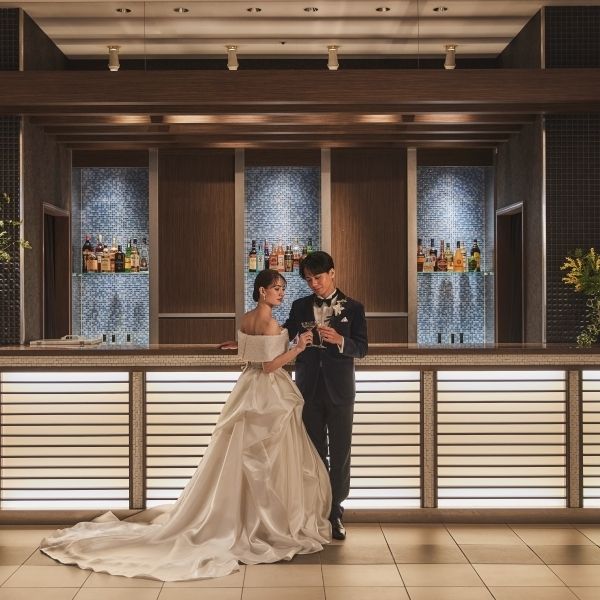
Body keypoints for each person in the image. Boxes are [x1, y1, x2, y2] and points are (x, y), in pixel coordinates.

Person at [40, 269, 331, 581]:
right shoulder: (271, 323)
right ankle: (263, 524)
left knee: (238, 457)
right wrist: (298, 347)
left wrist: (242, 346)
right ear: (262, 291)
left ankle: (240, 519)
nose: (281, 293)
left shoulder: (246, 319)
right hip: (268, 394)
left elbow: (249, 354)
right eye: (276, 288)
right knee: (267, 460)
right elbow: (270, 366)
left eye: (282, 289)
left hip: (248, 389)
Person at [284, 251, 368, 541]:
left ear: (332, 273)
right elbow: (283, 336)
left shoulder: (354, 308)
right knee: (314, 452)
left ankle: (335, 513)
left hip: (340, 391)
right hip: (308, 388)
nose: (313, 284)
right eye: (308, 280)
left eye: (317, 278)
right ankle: (314, 511)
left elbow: (362, 348)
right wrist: (250, 339)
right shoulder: (299, 306)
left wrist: (341, 340)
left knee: (341, 452)